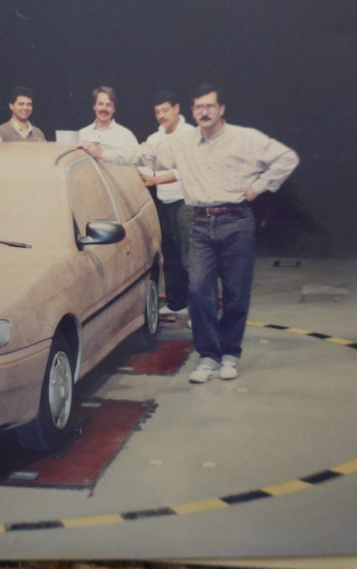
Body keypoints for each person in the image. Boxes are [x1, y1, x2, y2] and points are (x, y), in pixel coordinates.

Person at [84, 83, 299, 384]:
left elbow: (286, 158)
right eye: (199, 107)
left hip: (236, 221)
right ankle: (208, 356)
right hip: (200, 223)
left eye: (209, 106)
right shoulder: (183, 142)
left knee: (235, 294)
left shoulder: (243, 138)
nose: (204, 112)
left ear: (221, 109)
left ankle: (230, 355)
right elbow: (143, 155)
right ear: (193, 111)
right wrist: (101, 152)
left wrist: (258, 188)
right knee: (198, 293)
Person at [139, 91, 196, 317]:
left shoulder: (190, 134)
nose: (161, 115)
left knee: (191, 258)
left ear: (177, 109)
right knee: (170, 256)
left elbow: (186, 170)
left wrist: (155, 180)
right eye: (157, 112)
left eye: (165, 110)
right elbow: (143, 161)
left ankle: (198, 310)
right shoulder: (155, 138)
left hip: (186, 203)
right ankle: (177, 303)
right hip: (164, 202)